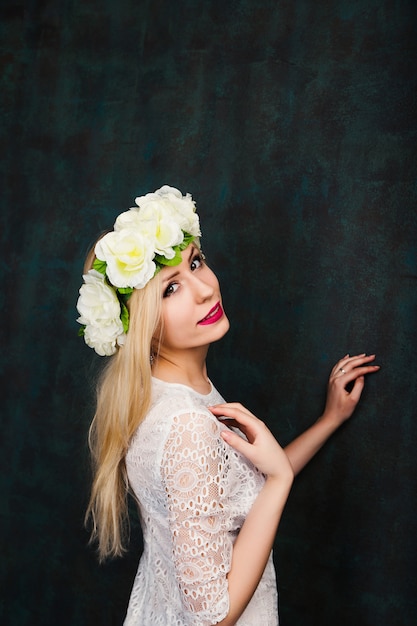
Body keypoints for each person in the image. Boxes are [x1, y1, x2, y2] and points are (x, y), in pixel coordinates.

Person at [76, 185, 379, 626]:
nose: (203, 289)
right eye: (171, 288)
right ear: (143, 326)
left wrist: (329, 420)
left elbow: (235, 490)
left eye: (196, 262)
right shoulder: (186, 426)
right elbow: (214, 618)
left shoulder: (169, 395)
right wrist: (278, 480)